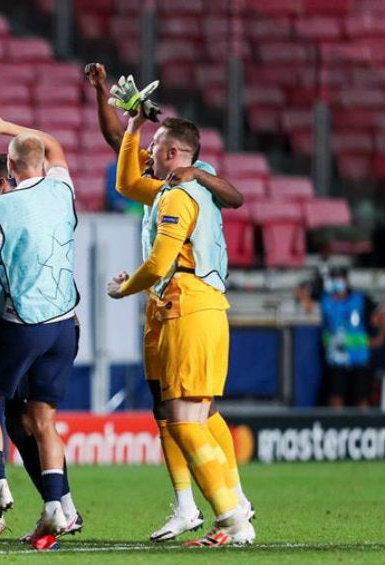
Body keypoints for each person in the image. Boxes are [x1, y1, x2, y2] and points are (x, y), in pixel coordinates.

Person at [89, 61, 254, 542]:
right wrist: (133, 122)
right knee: (180, 413)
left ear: (177, 155)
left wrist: (125, 288)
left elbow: (233, 198)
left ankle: (232, 515)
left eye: (155, 151)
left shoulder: (187, 188)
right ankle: (210, 506)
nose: (147, 157)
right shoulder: (164, 189)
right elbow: (122, 180)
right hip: (170, 306)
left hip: (189, 300)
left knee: (188, 418)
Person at [0, 113, 81, 545]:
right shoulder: (63, 190)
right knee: (44, 419)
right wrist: (5, 129)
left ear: (10, 169)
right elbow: (52, 142)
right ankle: (56, 507)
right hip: (65, 325)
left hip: (24, 323)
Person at [298, 267, 384, 408]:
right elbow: (301, 289)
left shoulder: (360, 299)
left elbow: (380, 313)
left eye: (340, 279)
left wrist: (380, 337)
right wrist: (307, 301)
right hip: (336, 356)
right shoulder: (326, 298)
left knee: (361, 397)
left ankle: (365, 427)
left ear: (347, 280)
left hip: (359, 356)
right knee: (336, 396)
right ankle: (336, 426)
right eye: (335, 279)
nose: (338, 283)